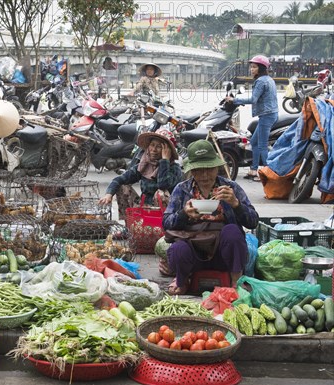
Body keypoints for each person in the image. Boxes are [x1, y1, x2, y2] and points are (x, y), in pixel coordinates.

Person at [162, 140, 259, 295]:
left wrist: (236, 204)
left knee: (233, 231)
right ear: (192, 171)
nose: (205, 175)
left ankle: (236, 281)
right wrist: (183, 214)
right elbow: (166, 223)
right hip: (194, 252)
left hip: (223, 253)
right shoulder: (182, 190)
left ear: (217, 168)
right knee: (177, 249)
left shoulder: (230, 187)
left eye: (209, 169)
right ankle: (183, 281)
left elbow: (253, 221)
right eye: (199, 170)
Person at [99, 129, 182, 219]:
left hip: (166, 212)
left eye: (159, 147)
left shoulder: (174, 168)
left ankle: (163, 225)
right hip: (144, 206)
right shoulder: (144, 165)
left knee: (161, 193)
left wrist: (164, 161)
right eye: (152, 145)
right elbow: (119, 179)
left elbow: (163, 185)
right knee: (122, 187)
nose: (153, 149)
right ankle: (130, 223)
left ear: (167, 151)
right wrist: (109, 194)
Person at [225, 55, 278, 182]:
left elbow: (253, 99)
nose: (251, 70)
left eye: (254, 67)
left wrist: (234, 99)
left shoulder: (260, 81)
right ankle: (254, 169)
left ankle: (267, 173)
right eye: (251, 67)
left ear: (261, 68)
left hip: (266, 116)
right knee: (253, 142)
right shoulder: (269, 79)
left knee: (262, 146)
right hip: (270, 114)